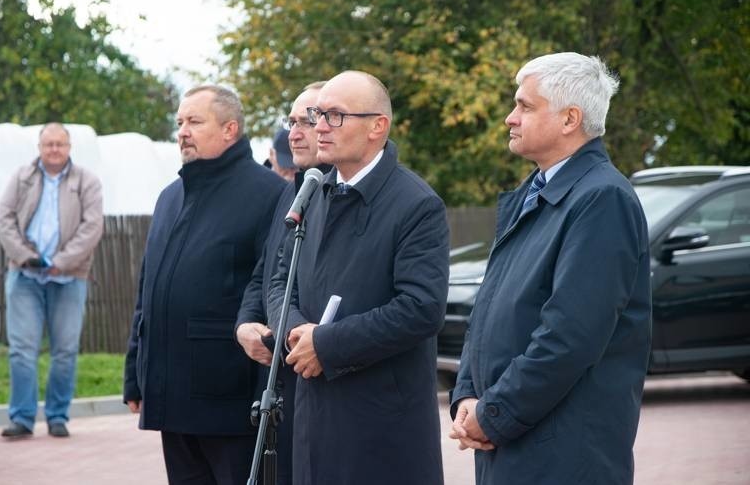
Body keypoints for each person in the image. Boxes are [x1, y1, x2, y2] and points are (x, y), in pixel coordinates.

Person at [449, 52, 651, 485]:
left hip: (562, 455)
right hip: (516, 442)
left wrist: (494, 413)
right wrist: (467, 393)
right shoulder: (536, 193)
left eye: (525, 106)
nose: (510, 117)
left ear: (569, 119)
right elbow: (489, 312)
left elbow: (570, 337)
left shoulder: (602, 199)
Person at [275, 70, 449, 485]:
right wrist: (299, 331)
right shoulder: (314, 192)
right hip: (313, 413)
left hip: (381, 422)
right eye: (318, 114)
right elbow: (281, 279)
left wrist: (327, 344)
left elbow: (421, 309)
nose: (318, 126)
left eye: (335, 116)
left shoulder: (417, 204)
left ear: (377, 126)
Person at [123, 85, 286, 484]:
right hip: (168, 392)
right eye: (179, 122)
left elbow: (271, 287)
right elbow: (149, 288)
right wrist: (135, 370)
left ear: (230, 129)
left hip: (229, 398)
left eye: (194, 121)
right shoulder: (169, 197)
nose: (182, 131)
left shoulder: (270, 195)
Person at [235, 80, 330, 485]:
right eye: (291, 121)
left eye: (307, 120)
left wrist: (295, 333)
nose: (295, 132)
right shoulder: (291, 193)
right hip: (279, 381)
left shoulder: (342, 194)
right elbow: (267, 272)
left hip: (325, 379)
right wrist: (246, 323)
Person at [0, 122, 103, 439]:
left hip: (69, 277)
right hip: (24, 274)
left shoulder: (87, 181)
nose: (54, 149)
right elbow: (4, 218)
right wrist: (24, 255)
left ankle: (58, 416)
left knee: (65, 351)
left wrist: (61, 262)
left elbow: (92, 227)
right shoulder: (21, 177)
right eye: (48, 144)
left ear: (69, 147)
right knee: (21, 350)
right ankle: (22, 418)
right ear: (39, 147)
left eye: (60, 144)